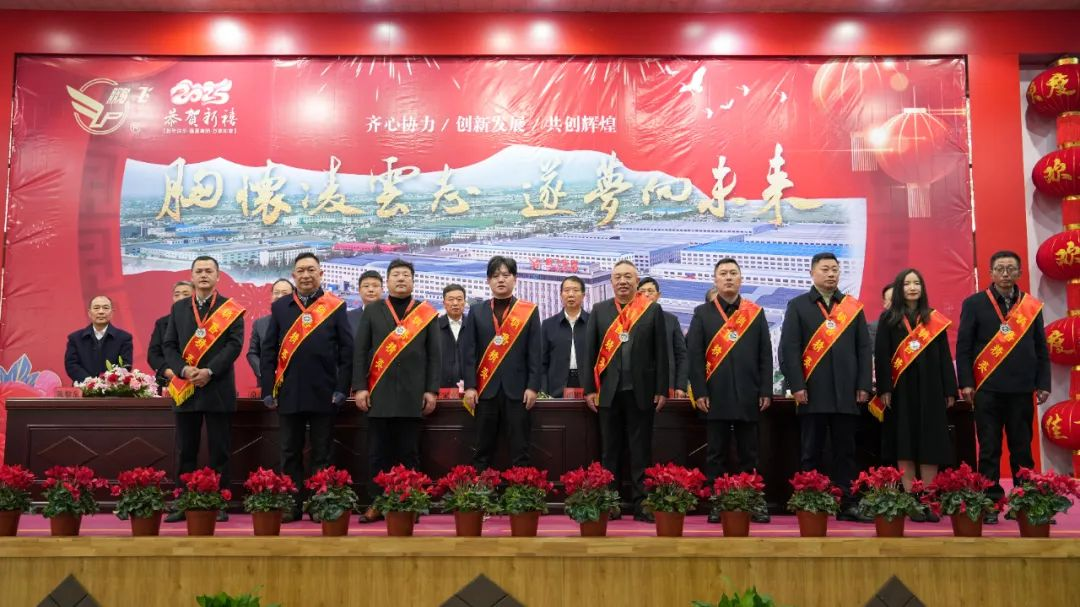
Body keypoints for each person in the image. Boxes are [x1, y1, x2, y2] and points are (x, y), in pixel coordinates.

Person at [956, 250, 1050, 525]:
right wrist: (966, 383)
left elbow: (1041, 347)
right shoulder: (974, 304)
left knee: (1022, 449)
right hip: (987, 389)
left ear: (1019, 273)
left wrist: (1043, 383)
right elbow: (964, 347)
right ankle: (989, 502)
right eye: (1000, 268)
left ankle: (1025, 502)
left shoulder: (1030, 306)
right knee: (989, 449)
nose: (1005, 273)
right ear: (991, 273)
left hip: (1021, 389)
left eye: (1011, 268)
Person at [779, 252, 872, 522]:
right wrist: (797, 384)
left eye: (834, 269)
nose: (831, 274)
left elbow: (863, 349)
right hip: (812, 391)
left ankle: (847, 502)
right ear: (812, 273)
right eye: (825, 269)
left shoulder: (852, 307)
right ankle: (811, 500)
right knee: (811, 450)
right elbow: (789, 349)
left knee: (846, 451)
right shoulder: (798, 306)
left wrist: (863, 384)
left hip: (846, 392)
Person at [261, 254, 353, 523]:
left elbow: (347, 352)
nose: (306, 275)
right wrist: (268, 389)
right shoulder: (281, 307)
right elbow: (269, 351)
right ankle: (291, 505)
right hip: (289, 392)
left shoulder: (335, 306)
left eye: (311, 270)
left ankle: (319, 504)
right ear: (293, 275)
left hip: (325, 392)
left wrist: (342, 388)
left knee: (322, 452)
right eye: (300, 270)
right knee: (289, 451)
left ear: (320, 274)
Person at [353, 258, 441, 523]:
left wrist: (431, 390)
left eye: (405, 275)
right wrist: (360, 387)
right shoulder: (373, 310)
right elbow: (360, 352)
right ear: (388, 281)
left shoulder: (426, 312)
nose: (401, 279)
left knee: (409, 453)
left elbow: (434, 356)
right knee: (378, 453)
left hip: (413, 395)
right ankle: (377, 503)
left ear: (413, 280)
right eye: (396, 275)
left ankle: (408, 503)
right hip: (378, 394)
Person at [687, 258, 772, 524]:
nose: (728, 277)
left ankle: (753, 502)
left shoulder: (755, 313)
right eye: (723, 273)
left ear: (741, 279)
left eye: (733, 273)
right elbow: (694, 356)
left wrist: (765, 389)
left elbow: (765, 355)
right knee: (716, 454)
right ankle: (718, 503)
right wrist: (700, 391)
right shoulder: (702, 313)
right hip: (715, 395)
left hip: (749, 394)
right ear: (715, 280)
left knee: (750, 454)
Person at [583, 260, 669, 522]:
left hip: (641, 391)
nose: (622, 281)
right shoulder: (599, 310)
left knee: (640, 449)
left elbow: (661, 353)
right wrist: (589, 389)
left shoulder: (652, 310)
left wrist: (661, 388)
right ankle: (610, 502)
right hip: (608, 391)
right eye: (618, 277)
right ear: (611, 282)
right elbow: (589, 352)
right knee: (610, 450)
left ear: (637, 281)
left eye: (628, 276)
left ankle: (642, 503)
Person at [162, 256, 246, 522]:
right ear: (192, 276)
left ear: (218, 276)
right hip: (186, 388)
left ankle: (219, 502)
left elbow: (234, 345)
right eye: (199, 271)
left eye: (209, 271)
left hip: (217, 387)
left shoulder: (230, 309)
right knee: (185, 450)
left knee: (219, 450)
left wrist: (209, 371)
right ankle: (182, 501)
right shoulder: (179, 308)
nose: (203, 275)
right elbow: (169, 345)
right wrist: (184, 370)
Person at [872, 269, 957, 522]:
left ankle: (928, 500)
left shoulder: (933, 318)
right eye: (907, 283)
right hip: (901, 390)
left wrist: (949, 389)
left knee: (931, 443)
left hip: (931, 389)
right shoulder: (889, 319)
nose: (912, 287)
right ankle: (911, 500)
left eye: (916, 283)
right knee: (905, 442)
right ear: (900, 289)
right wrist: (885, 388)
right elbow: (882, 357)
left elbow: (944, 356)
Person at [462, 256, 542, 470]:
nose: (501, 280)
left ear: (514, 279)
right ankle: (481, 490)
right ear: (488, 280)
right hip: (485, 390)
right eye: (495, 275)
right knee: (482, 449)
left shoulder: (528, 311)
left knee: (520, 449)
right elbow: (469, 352)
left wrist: (533, 387)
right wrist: (470, 386)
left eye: (506, 275)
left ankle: (520, 489)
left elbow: (535, 352)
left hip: (518, 392)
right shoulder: (477, 311)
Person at [638, 277, 689, 399]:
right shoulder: (628, 320)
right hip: (637, 384)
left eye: (650, 291)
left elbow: (681, 355)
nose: (646, 294)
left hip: (666, 384)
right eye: (642, 291)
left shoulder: (671, 320)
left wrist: (681, 386)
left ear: (658, 295)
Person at [64, 295, 134, 383]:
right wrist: (90, 382)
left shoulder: (124, 338)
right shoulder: (75, 338)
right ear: (89, 313)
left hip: (112, 388)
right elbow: (71, 365)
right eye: (96, 308)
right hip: (83, 388)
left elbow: (126, 365)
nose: (101, 312)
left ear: (112, 313)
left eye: (105, 308)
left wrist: (107, 382)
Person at [541, 276, 590, 398]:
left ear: (583, 295)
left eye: (576, 290)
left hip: (588, 387)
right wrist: (544, 392)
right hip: (556, 387)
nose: (571, 294)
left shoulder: (593, 322)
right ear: (561, 295)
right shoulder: (548, 325)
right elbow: (542, 362)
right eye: (567, 290)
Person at [247, 279, 294, 384]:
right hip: (267, 382)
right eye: (276, 293)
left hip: (294, 381)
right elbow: (252, 353)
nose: (279, 296)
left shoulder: (301, 323)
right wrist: (265, 373)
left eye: (285, 293)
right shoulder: (259, 323)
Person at [148, 281, 193, 389]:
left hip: (197, 379)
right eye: (177, 295)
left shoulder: (203, 322)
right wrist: (168, 371)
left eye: (186, 294)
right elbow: (153, 354)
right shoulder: (162, 323)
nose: (181, 298)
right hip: (169, 382)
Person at [438, 283, 467, 393]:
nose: (455, 303)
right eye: (451, 299)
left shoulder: (473, 325)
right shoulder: (434, 327)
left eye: (459, 299)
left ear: (465, 302)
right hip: (440, 388)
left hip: (469, 390)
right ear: (444, 303)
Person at [348, 270, 384, 337]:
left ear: (382, 290)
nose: (371, 290)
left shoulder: (391, 316)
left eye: (375, 286)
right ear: (359, 290)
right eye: (366, 286)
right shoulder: (348, 317)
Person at [867, 284, 894, 349]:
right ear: (885, 304)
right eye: (892, 299)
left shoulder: (915, 326)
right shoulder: (874, 328)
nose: (897, 303)